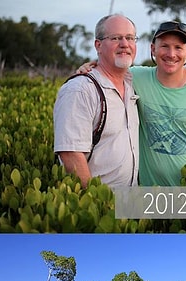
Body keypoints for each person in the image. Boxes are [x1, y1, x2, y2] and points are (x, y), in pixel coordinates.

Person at [77, 21, 186, 186]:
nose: (171, 54)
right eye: (165, 46)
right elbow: (109, 70)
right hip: (147, 195)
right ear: (153, 49)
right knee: (123, 210)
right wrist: (91, 67)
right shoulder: (134, 77)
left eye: (178, 48)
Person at [53, 14, 140, 189]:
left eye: (130, 38)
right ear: (98, 45)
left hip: (132, 203)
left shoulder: (133, 83)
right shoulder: (80, 90)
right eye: (115, 38)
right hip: (102, 206)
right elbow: (71, 155)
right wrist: (96, 204)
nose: (125, 43)